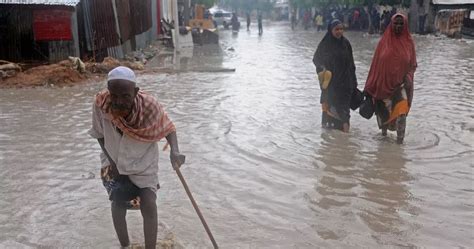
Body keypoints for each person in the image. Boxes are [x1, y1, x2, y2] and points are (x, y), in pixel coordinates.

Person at [88, 66, 186, 248]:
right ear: (109, 92)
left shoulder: (150, 106)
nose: (118, 101)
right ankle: (125, 245)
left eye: (125, 96)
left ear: (135, 92)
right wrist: (113, 163)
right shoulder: (101, 104)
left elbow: (169, 128)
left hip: (144, 163)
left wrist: (175, 151)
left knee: (149, 202)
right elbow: (99, 135)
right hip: (113, 159)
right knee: (117, 202)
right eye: (114, 96)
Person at [364, 14, 417, 144]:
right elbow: (375, 65)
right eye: (396, 23)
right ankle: (384, 139)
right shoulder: (384, 42)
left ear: (405, 26)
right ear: (391, 24)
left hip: (401, 86)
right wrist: (370, 86)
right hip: (383, 85)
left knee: (401, 113)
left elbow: (413, 65)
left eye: (401, 24)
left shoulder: (409, 43)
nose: (398, 26)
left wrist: (409, 76)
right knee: (383, 116)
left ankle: (400, 143)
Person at [313, 19, 358, 132]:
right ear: (330, 30)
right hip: (331, 85)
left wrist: (354, 82)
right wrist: (322, 68)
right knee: (329, 110)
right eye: (336, 29)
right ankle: (330, 143)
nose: (339, 32)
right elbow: (316, 59)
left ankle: (346, 139)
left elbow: (351, 64)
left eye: (341, 29)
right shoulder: (325, 45)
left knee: (345, 113)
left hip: (345, 84)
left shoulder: (346, 44)